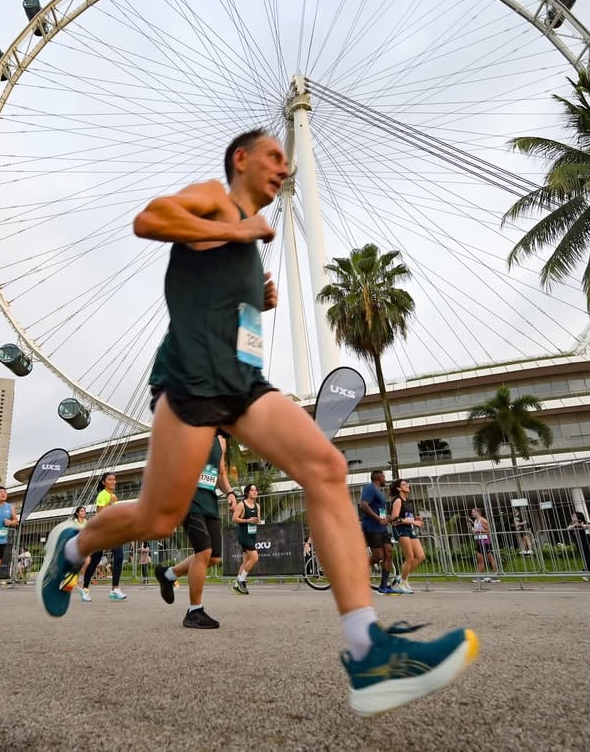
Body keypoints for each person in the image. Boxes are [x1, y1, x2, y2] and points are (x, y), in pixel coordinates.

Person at [35, 129, 477, 716]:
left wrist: (257, 302)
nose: (284, 166)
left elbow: (212, 293)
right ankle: (73, 547)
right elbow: (149, 219)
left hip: (243, 383)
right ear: (240, 159)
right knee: (157, 515)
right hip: (192, 380)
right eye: (273, 156)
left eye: (285, 161)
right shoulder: (214, 199)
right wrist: (235, 229)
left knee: (325, 467)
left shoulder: (249, 242)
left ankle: (369, 651)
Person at [155, 433, 233, 628]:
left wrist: (230, 492)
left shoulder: (221, 441)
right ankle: (194, 611)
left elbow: (220, 473)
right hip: (188, 499)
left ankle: (168, 575)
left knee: (214, 557)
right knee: (203, 551)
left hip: (209, 502)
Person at [79, 473, 127, 602]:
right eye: (110, 479)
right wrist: (111, 504)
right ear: (104, 482)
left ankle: (115, 589)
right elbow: (100, 513)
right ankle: (84, 589)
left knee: (119, 556)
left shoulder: (114, 497)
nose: (113, 481)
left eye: (114, 479)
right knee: (95, 561)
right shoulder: (103, 495)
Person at [359, 471, 397, 595]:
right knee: (378, 556)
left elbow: (379, 512)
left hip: (382, 529)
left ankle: (383, 586)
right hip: (372, 527)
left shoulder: (379, 492)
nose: (385, 479)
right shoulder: (370, 489)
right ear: (378, 477)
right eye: (384, 477)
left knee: (389, 553)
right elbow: (363, 505)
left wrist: (387, 518)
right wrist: (378, 519)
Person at [389, 479, 425, 594]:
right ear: (399, 488)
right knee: (409, 558)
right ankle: (402, 584)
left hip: (410, 529)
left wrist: (416, 519)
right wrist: (413, 522)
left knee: (420, 556)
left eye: (407, 484)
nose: (407, 486)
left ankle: (402, 577)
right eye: (404, 485)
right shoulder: (398, 501)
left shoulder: (407, 501)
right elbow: (394, 519)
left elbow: (408, 517)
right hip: (401, 530)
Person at [232, 483, 262, 594]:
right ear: (247, 492)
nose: (255, 492)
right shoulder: (241, 504)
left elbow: (258, 519)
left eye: (256, 490)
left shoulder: (257, 506)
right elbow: (234, 518)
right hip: (244, 535)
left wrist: (256, 520)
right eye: (252, 490)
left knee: (245, 561)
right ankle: (241, 580)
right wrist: (247, 520)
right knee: (255, 558)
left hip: (252, 534)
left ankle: (236, 585)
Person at [567, 512, 590, 582]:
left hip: (589, 543)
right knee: (586, 559)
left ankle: (584, 572)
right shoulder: (572, 524)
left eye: (574, 516)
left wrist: (584, 526)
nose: (572, 517)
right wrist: (575, 525)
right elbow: (568, 528)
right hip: (580, 545)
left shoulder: (584, 522)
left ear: (578, 517)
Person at [470, 507, 499, 582]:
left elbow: (488, 530)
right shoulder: (476, 520)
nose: (472, 513)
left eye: (473, 512)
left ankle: (494, 576)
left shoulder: (483, 520)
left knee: (490, 559)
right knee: (480, 560)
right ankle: (481, 577)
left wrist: (477, 531)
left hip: (485, 542)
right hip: (479, 541)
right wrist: (474, 531)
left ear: (478, 512)